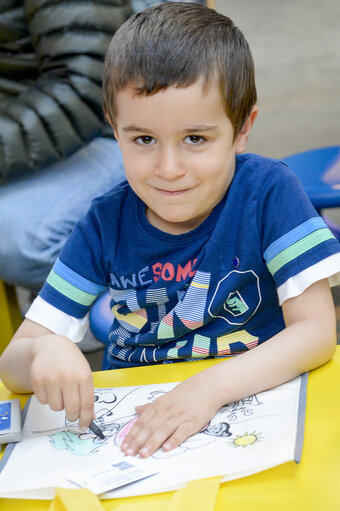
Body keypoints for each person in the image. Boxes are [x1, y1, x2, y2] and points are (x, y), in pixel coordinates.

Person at [1, 2, 339, 459]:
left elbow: (317, 331)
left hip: (255, 414)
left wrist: (208, 388)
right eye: (143, 140)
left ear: (242, 129)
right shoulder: (104, 222)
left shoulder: (268, 192)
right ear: (114, 129)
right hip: (135, 436)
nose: (169, 169)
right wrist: (44, 353)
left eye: (195, 139)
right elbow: (13, 365)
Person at [0, 0, 132, 293]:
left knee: (18, 240)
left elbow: (85, 87)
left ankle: (136, 304)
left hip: (107, 127)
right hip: (25, 131)